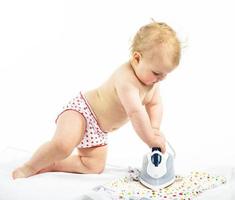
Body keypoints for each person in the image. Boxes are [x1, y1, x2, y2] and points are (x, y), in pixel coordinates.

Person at [12, 21, 181, 179]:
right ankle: (29, 166)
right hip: (83, 112)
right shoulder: (126, 80)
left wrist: (155, 127)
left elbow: (155, 104)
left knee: (94, 166)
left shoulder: (152, 82)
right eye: (157, 73)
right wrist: (151, 139)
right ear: (137, 58)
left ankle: (52, 163)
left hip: (99, 130)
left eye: (166, 74)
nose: (161, 79)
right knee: (63, 145)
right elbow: (136, 112)